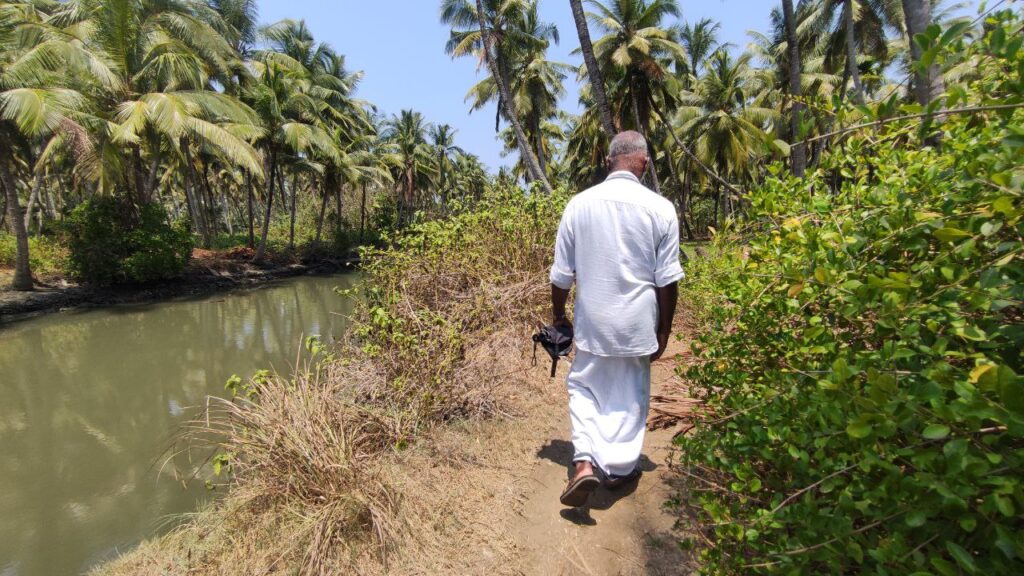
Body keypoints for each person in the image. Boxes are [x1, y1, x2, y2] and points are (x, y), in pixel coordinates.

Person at [550, 130, 684, 507]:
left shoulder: (579, 204)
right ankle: (619, 470)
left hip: (593, 322)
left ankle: (584, 462)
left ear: (608, 162)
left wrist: (560, 315)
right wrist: (664, 329)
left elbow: (561, 275)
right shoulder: (662, 209)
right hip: (638, 324)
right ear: (645, 163)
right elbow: (667, 279)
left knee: (583, 388)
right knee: (629, 397)